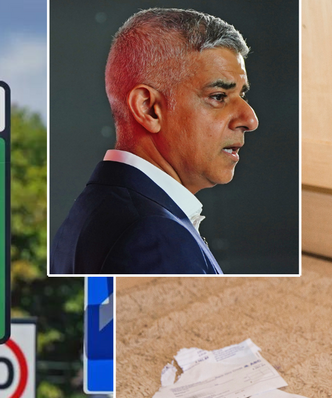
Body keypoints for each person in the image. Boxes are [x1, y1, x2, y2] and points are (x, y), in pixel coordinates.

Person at [50, 8, 259, 274]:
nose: (250, 119)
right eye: (218, 96)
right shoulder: (155, 234)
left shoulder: (91, 210)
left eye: (243, 95)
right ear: (148, 108)